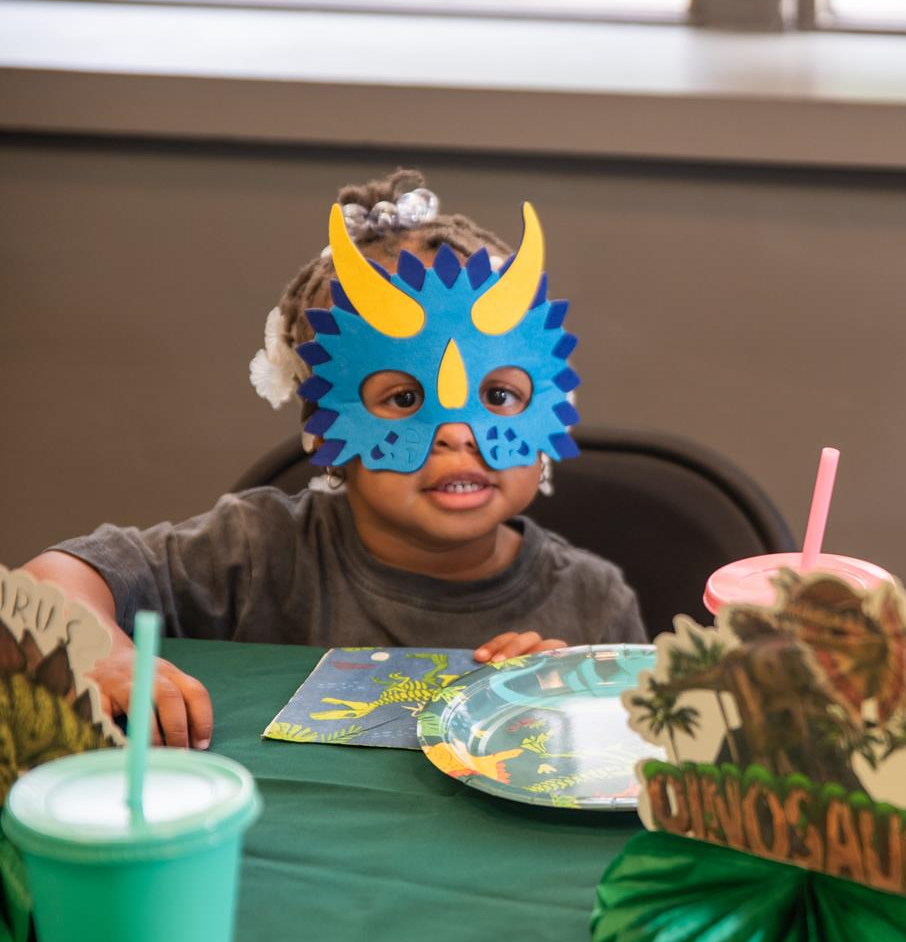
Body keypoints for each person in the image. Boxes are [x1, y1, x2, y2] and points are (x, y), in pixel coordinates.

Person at [25, 169, 646, 749]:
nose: (458, 434)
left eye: (500, 396)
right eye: (404, 399)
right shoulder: (255, 553)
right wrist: (99, 652)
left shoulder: (594, 602)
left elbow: (639, 757)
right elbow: (49, 578)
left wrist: (579, 704)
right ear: (326, 433)